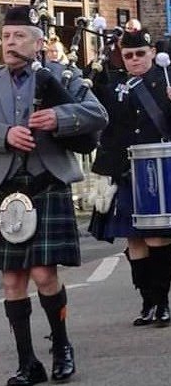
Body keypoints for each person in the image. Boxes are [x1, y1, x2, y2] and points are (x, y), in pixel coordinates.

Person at [0, 4, 108, 386]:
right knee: (12, 281)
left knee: (44, 275)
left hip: (46, 184)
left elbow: (97, 114)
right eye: (6, 37)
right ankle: (28, 363)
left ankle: (61, 348)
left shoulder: (62, 76)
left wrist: (60, 118)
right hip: (4, 189)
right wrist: (4, 135)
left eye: (19, 36)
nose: (10, 43)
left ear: (39, 42)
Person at [88, 28, 171, 328]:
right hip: (123, 169)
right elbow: (95, 117)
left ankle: (163, 301)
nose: (134, 59)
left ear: (152, 53)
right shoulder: (111, 84)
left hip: (157, 172)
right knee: (135, 239)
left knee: (157, 237)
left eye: (140, 54)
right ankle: (147, 301)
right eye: (128, 55)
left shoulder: (167, 81)